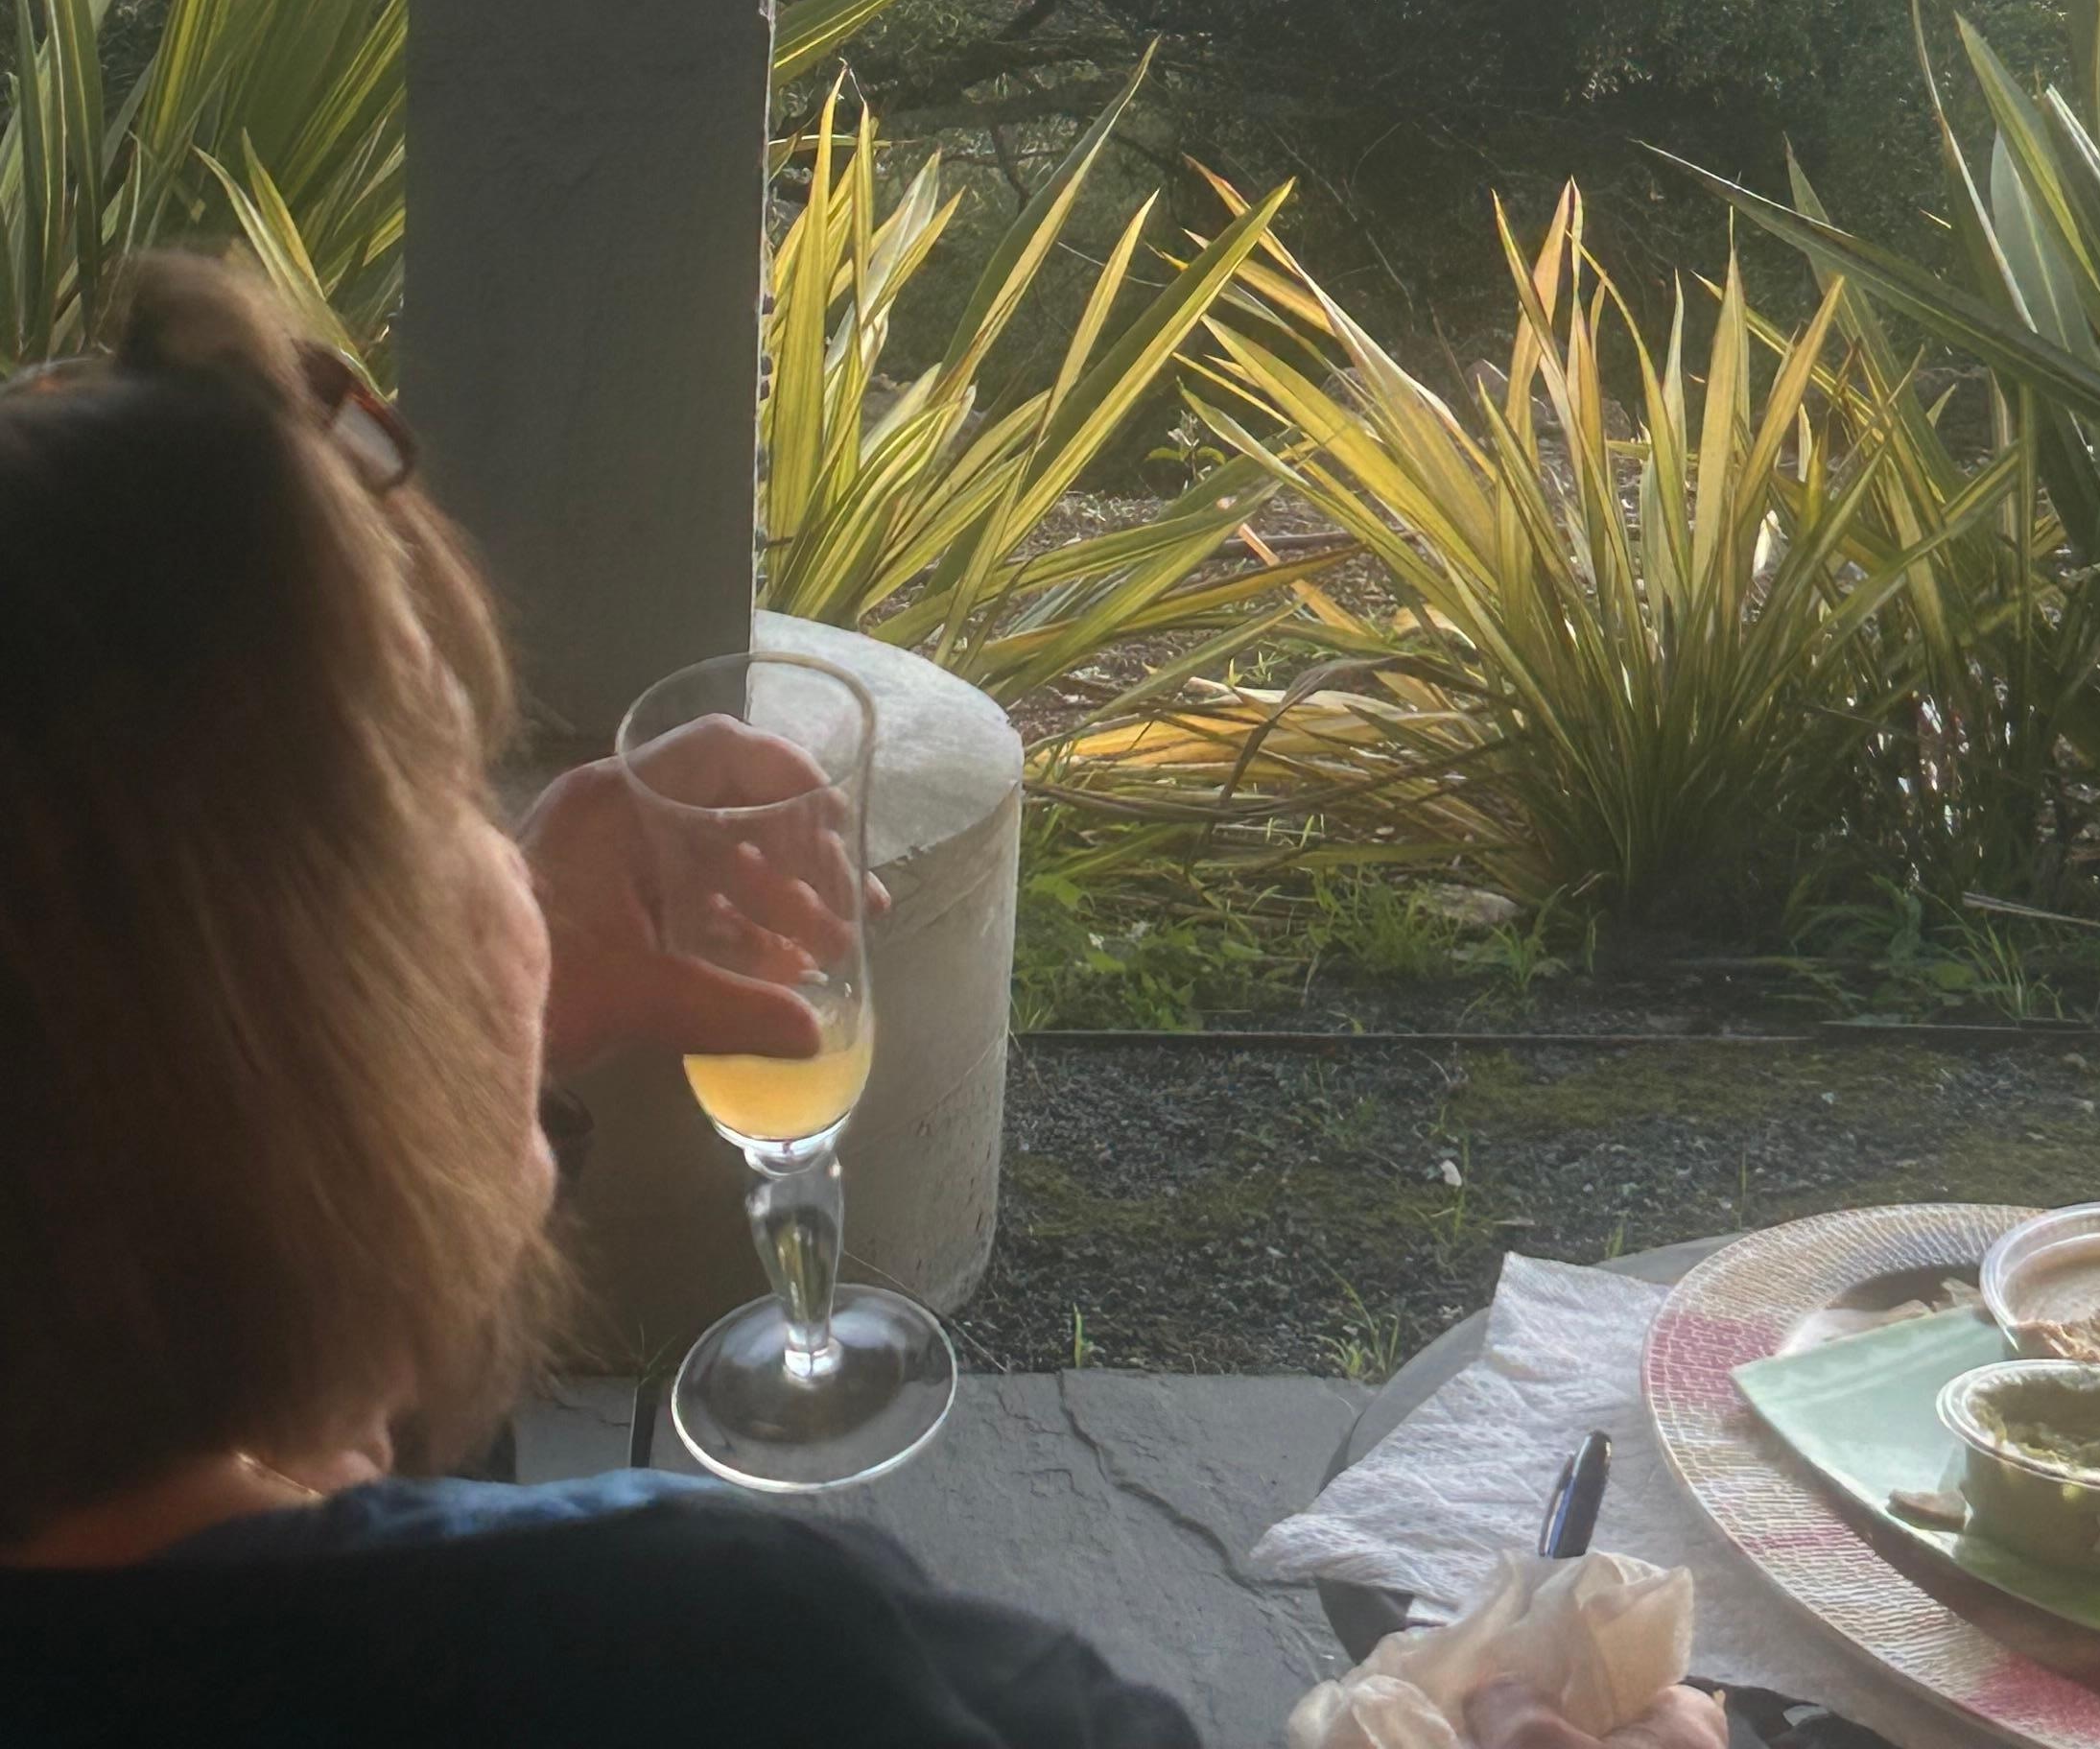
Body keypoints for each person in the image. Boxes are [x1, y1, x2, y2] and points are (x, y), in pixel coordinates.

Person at [0, 254, 1201, 1749]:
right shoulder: (706, 1658)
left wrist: (465, 1037)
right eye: (449, 790)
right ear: (284, 1022)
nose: (510, 857)